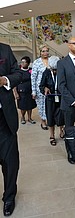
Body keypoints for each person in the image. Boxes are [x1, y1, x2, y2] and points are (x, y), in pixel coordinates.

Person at [0, 43, 23, 216]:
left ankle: (9, 197)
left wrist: (4, 80)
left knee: (10, 162)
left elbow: (18, 73)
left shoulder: (5, 49)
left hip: (4, 119)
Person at [57, 37, 75, 164]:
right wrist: (73, 101)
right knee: (69, 129)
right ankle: (71, 152)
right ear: (68, 45)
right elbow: (61, 85)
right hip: (69, 104)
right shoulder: (62, 63)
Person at [39, 56, 64, 146]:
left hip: (61, 97)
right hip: (50, 98)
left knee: (62, 115)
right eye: (53, 69)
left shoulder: (62, 71)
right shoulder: (46, 72)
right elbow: (41, 85)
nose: (55, 71)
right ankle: (52, 135)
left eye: (56, 69)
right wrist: (45, 88)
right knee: (50, 117)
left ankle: (61, 131)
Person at [31, 44, 49, 130]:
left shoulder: (51, 61)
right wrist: (33, 91)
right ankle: (43, 121)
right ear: (40, 52)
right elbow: (33, 77)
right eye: (43, 51)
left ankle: (50, 119)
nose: (45, 53)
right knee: (41, 105)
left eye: (46, 51)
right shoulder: (37, 62)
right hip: (39, 88)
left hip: (50, 88)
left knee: (49, 105)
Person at [14, 56, 36, 124]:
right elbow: (15, 83)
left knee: (30, 105)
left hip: (30, 91)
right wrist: (16, 93)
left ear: (28, 63)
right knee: (23, 106)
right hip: (21, 91)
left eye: (24, 62)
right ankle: (23, 117)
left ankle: (29, 118)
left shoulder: (31, 70)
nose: (22, 63)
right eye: (21, 62)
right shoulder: (18, 71)